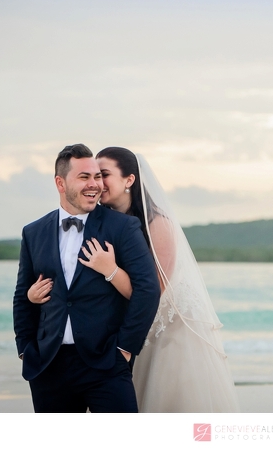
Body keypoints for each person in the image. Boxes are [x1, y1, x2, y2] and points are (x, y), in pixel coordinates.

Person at [28, 147, 240, 412]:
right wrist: (33, 296)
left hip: (166, 330)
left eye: (104, 174)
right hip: (120, 330)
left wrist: (110, 270)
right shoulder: (100, 221)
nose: (98, 183)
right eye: (93, 175)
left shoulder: (157, 223)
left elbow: (153, 291)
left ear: (129, 179)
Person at [13, 143, 161, 412]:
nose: (95, 184)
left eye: (97, 176)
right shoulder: (33, 232)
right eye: (84, 177)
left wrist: (125, 349)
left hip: (107, 363)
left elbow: (148, 290)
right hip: (49, 366)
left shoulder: (123, 226)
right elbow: (22, 297)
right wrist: (25, 348)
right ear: (60, 183)